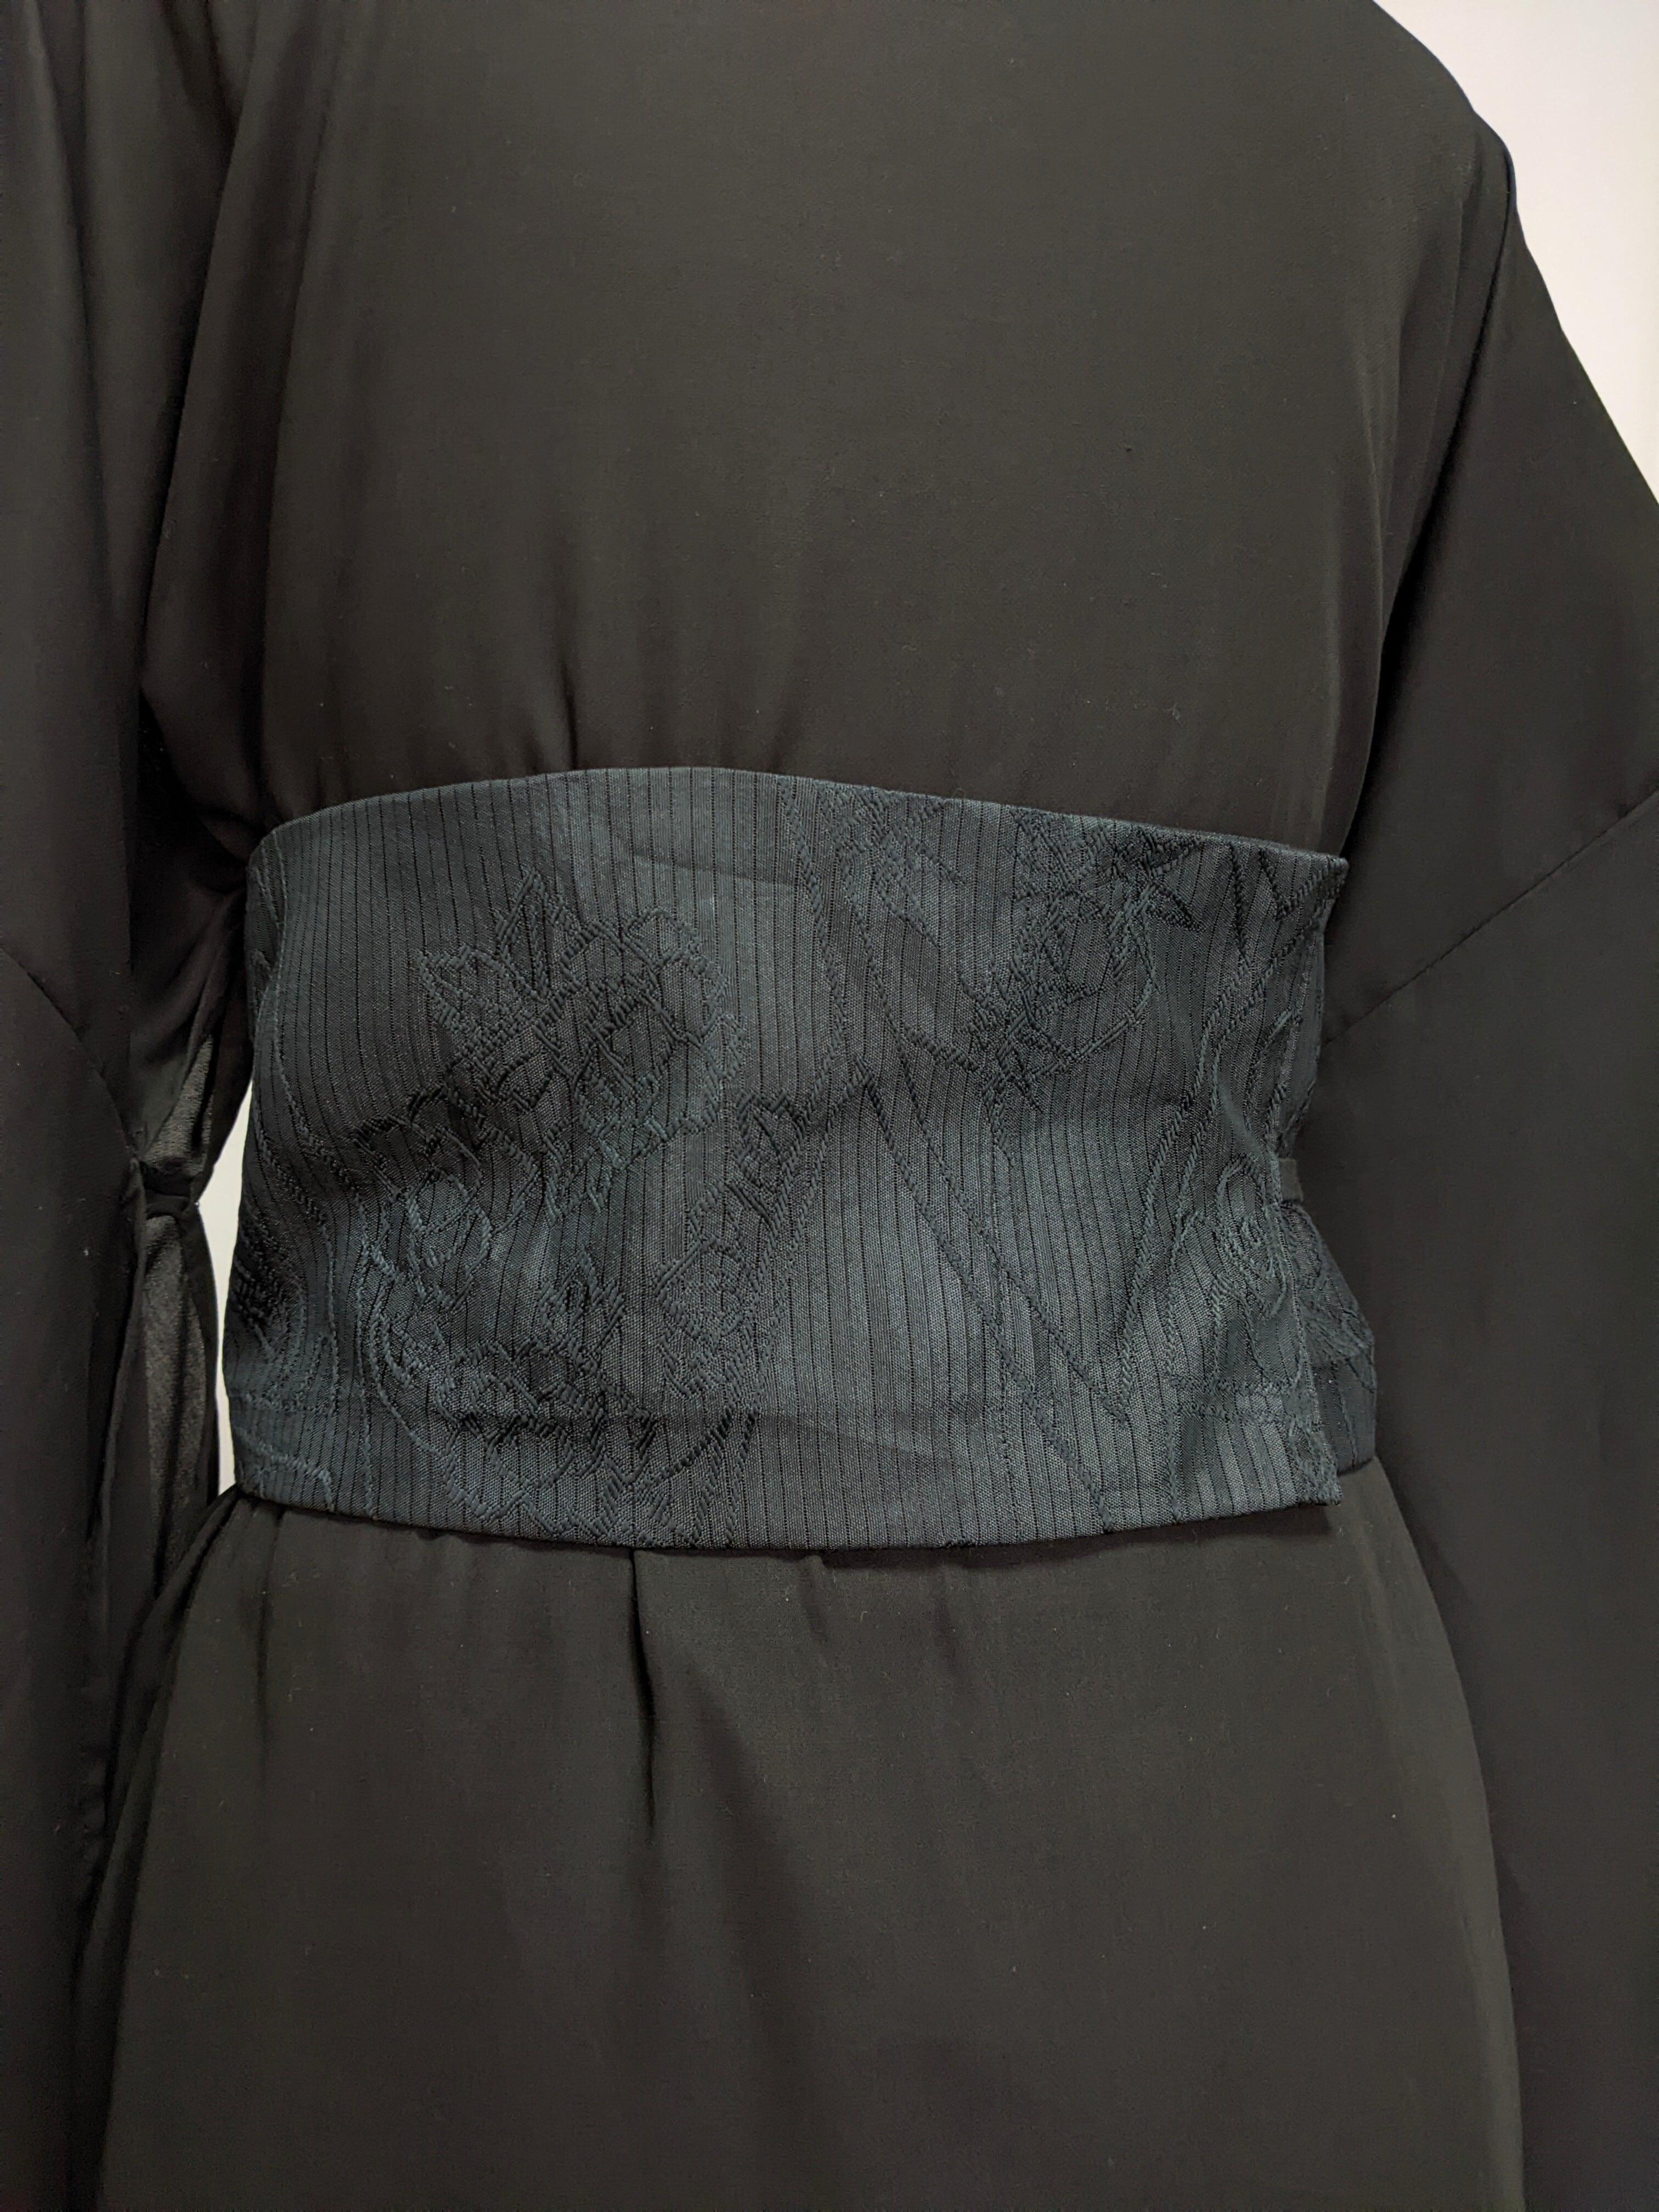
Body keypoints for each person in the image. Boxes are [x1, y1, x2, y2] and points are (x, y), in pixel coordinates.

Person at [2, 2, 1653, 2203]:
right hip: (1245, 1847)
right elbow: (1546, 1210)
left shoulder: (210, 41)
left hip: (429, 1851)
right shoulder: (1381, 128)